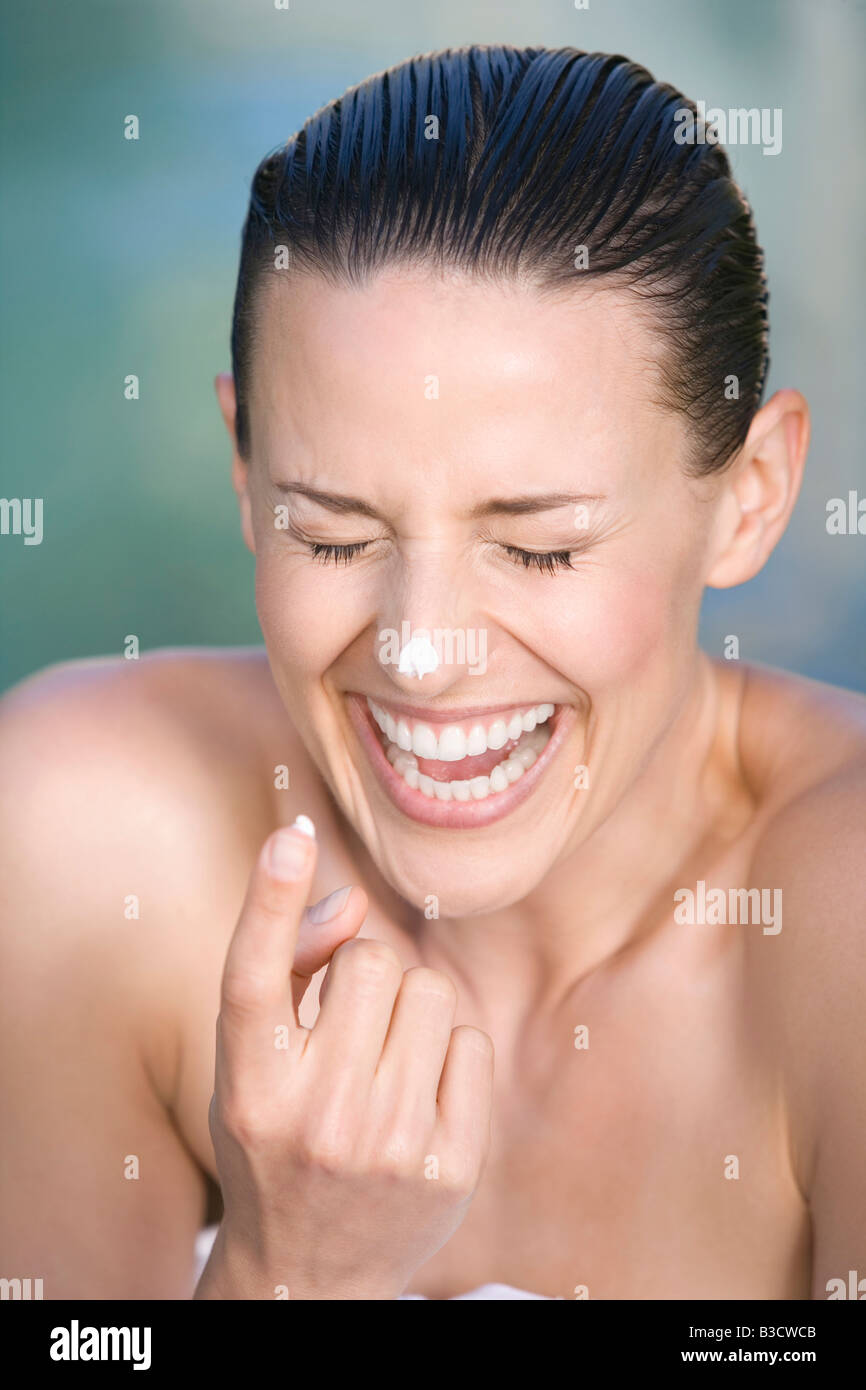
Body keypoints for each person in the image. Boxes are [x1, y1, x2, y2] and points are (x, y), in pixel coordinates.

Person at [1, 44, 864, 1301]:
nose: (420, 647)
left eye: (537, 546)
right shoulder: (83, 835)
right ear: (246, 478)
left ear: (748, 498)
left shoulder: (836, 928)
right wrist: (278, 1273)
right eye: (336, 533)